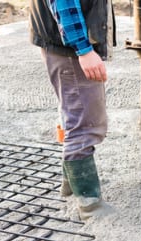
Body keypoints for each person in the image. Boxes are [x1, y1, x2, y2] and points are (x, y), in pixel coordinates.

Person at [30, 0, 115, 220]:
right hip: (70, 49)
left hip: (62, 43)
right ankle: (90, 206)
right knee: (86, 124)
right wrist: (84, 49)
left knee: (76, 114)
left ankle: (71, 186)